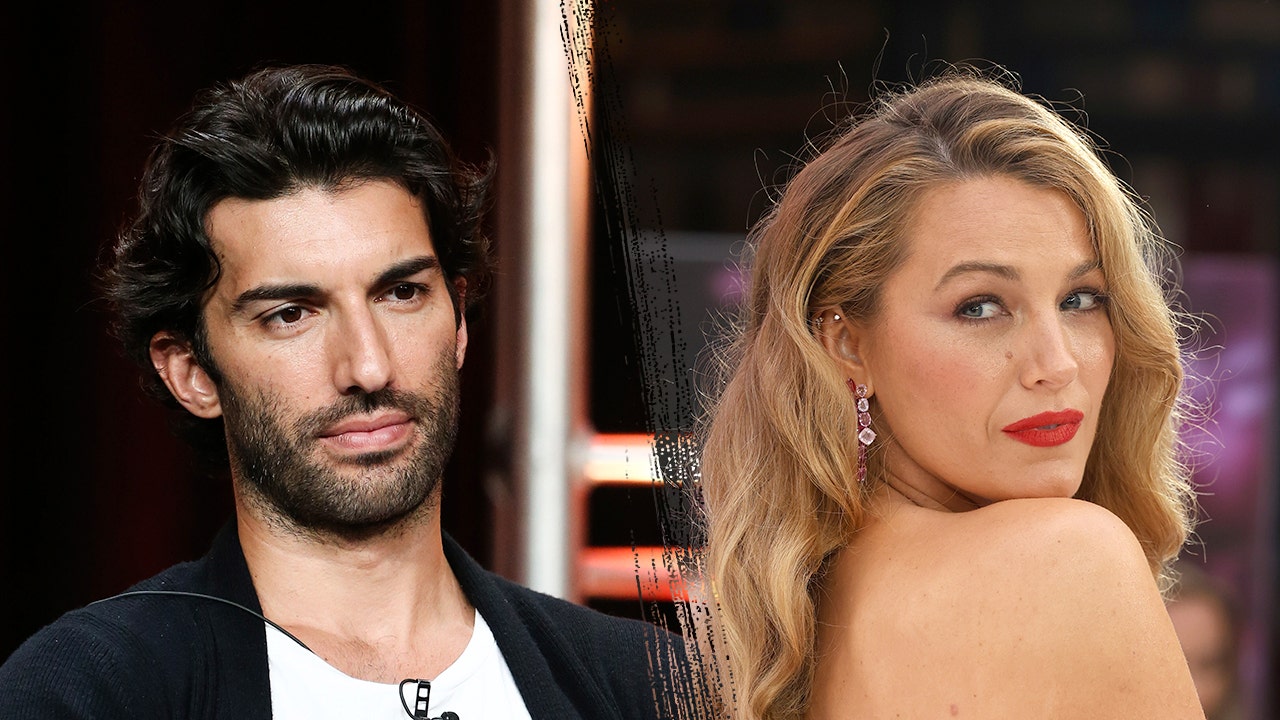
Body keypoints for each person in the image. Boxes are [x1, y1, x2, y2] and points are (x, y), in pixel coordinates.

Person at [0, 63, 689, 720]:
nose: (368, 365)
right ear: (191, 372)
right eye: (290, 314)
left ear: (457, 321)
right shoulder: (91, 691)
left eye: (401, 293)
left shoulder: (653, 686)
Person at [694, 66, 1206, 719]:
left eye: (1080, 299)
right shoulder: (1070, 559)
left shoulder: (778, 625)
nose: (1056, 365)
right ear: (847, 344)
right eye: (980, 307)